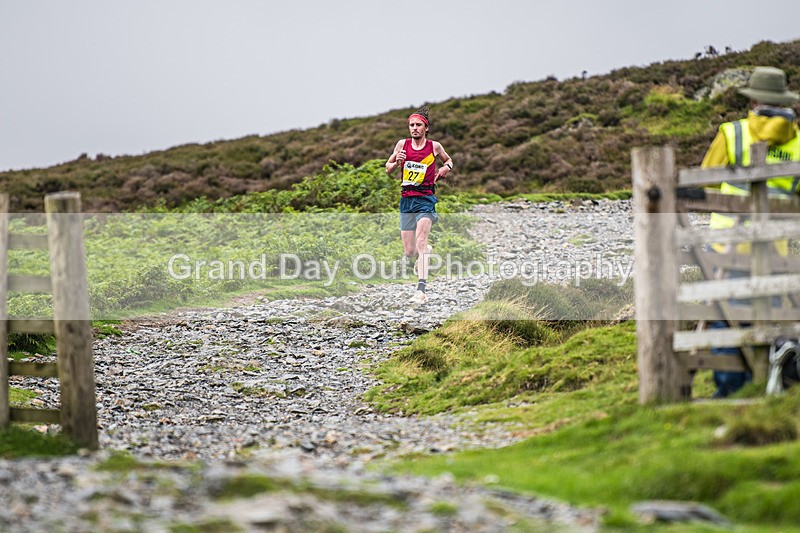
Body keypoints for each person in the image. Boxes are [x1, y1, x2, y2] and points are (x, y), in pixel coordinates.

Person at [701, 66, 800, 397]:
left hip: (728, 245)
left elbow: (706, 181)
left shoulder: (734, 134)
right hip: (776, 249)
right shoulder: (798, 142)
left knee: (726, 314)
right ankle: (768, 380)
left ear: (754, 100)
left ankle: (732, 388)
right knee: (769, 311)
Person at [385, 107, 453, 305]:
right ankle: (426, 253)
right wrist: (396, 162)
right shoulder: (402, 144)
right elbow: (388, 168)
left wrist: (446, 168)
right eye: (411, 125)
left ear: (426, 128)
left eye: (418, 125)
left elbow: (449, 160)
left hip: (425, 199)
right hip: (407, 200)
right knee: (410, 251)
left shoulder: (434, 147)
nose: (414, 128)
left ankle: (421, 290)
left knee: (421, 242)